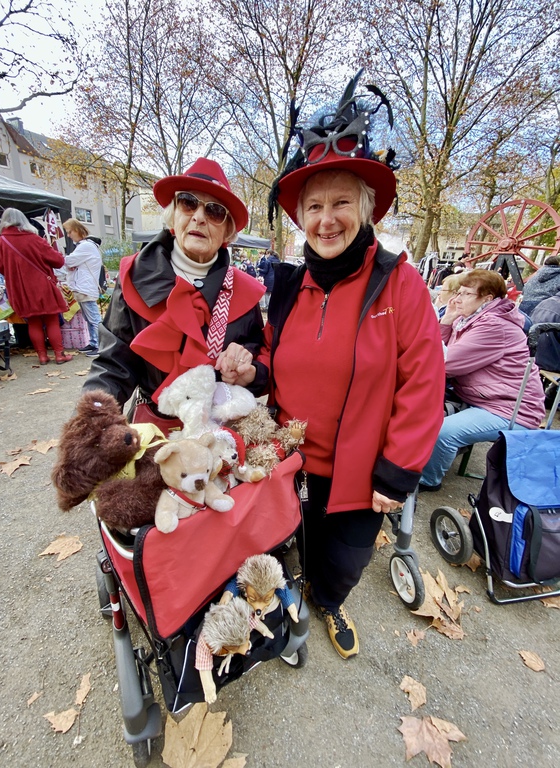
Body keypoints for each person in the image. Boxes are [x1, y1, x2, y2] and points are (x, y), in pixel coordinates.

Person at [218, 75, 445, 659]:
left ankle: (330, 602)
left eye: (341, 202)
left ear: (365, 208)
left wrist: (398, 471)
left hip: (361, 472)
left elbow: (424, 380)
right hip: (287, 458)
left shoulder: (399, 281)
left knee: (342, 559)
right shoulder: (289, 284)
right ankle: (290, 595)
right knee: (286, 541)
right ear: (299, 217)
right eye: (314, 206)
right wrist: (253, 374)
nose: (326, 218)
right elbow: (276, 358)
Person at [83, 158, 266, 424]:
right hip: (153, 428)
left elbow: (258, 359)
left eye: (214, 211)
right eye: (188, 203)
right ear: (174, 214)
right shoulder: (133, 278)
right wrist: (92, 420)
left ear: (227, 229)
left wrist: (248, 368)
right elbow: (113, 364)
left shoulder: (244, 291)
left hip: (220, 433)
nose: (199, 217)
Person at [419, 269, 546, 491]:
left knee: (444, 432)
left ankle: (428, 481)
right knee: (418, 407)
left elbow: (444, 364)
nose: (457, 299)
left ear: (487, 299)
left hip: (509, 409)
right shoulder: (471, 319)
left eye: (466, 294)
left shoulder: (494, 325)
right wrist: (447, 320)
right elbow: (438, 353)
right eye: (458, 292)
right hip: (484, 397)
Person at [0, 208, 72, 365]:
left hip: (20, 288)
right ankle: (59, 355)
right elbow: (58, 260)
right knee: (51, 320)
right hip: (42, 284)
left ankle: (42, 356)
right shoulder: (34, 238)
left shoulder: (1, 241)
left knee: (33, 321)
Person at [62, 219, 103, 357]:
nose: (68, 235)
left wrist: (69, 264)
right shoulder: (88, 245)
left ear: (77, 230)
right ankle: (94, 342)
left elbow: (68, 261)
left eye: (69, 232)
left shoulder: (85, 246)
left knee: (93, 317)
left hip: (85, 287)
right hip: (84, 286)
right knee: (89, 317)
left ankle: (100, 345)